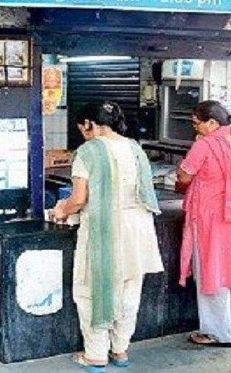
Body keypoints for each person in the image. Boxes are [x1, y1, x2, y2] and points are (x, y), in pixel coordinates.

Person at [53, 102, 163, 368]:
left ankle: (95, 354)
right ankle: (120, 350)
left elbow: (79, 199)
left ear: (89, 124)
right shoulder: (134, 148)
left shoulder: (88, 151)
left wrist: (61, 211)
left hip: (105, 229)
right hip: (138, 228)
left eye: (82, 128)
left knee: (92, 290)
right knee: (129, 290)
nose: (82, 133)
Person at [176, 100, 231, 348]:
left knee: (212, 271)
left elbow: (184, 176)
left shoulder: (205, 145)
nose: (195, 128)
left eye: (197, 123)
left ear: (212, 123)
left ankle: (217, 333)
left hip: (211, 220)